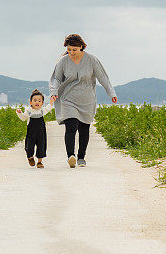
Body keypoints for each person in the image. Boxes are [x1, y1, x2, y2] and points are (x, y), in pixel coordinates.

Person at [49, 34, 117, 168]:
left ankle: (81, 157)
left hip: (87, 100)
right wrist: (53, 92)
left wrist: (111, 93)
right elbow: (56, 78)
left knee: (84, 129)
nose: (71, 53)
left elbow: (102, 76)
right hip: (68, 99)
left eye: (74, 50)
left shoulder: (91, 60)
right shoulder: (63, 61)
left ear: (81, 47)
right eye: (69, 50)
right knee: (71, 126)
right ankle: (70, 156)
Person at [16, 89, 53, 168]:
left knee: (41, 146)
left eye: (39, 101)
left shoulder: (42, 110)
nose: (37, 102)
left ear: (42, 103)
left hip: (41, 133)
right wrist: (19, 113)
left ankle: (40, 162)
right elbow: (23, 118)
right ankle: (30, 157)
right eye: (35, 100)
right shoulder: (29, 111)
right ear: (30, 102)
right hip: (31, 133)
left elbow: (49, 108)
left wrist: (51, 101)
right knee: (29, 147)